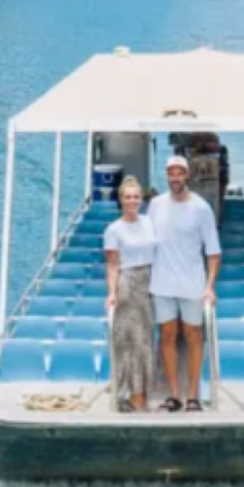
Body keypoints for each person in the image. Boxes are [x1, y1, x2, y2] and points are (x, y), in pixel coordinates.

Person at [148, 152, 221, 412]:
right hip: (161, 284)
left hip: (192, 284)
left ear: (187, 175)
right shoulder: (155, 205)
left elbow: (213, 251)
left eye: (180, 172)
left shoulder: (201, 208)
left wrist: (209, 286)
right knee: (167, 335)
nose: (175, 177)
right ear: (167, 175)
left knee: (193, 335)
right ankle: (174, 395)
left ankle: (193, 396)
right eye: (171, 172)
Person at [103, 176, 158, 413]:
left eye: (136, 197)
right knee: (128, 341)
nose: (132, 201)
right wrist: (112, 293)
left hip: (152, 281)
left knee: (145, 340)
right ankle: (129, 394)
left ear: (142, 199)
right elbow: (113, 265)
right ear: (121, 200)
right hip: (128, 283)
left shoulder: (149, 222)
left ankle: (142, 391)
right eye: (128, 197)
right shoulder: (113, 230)